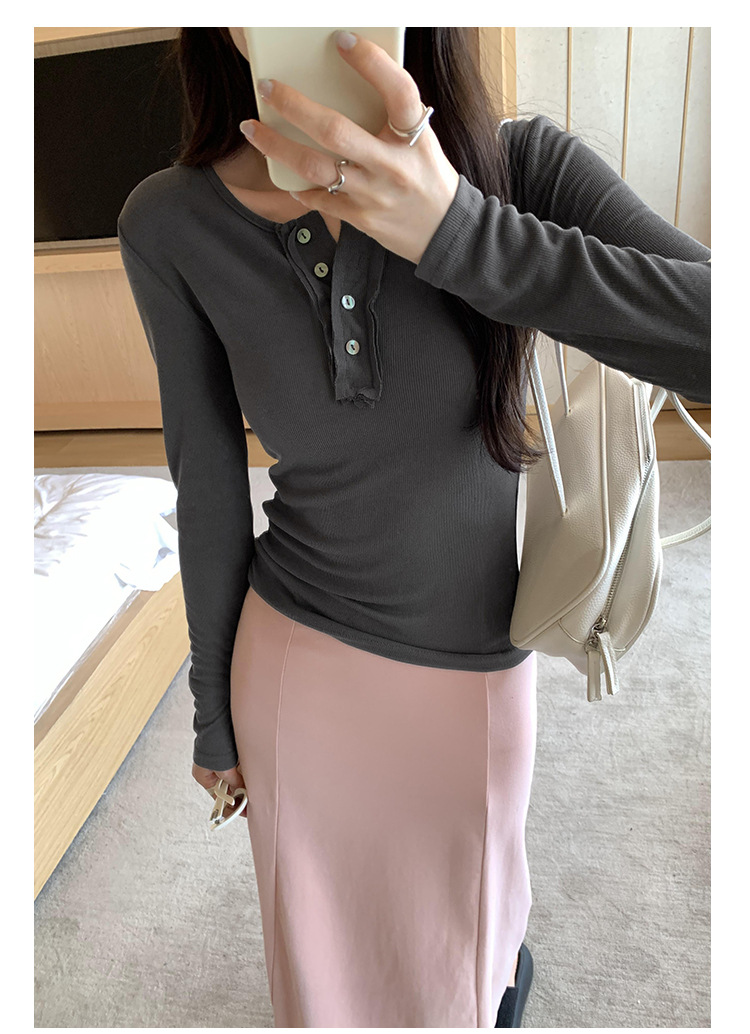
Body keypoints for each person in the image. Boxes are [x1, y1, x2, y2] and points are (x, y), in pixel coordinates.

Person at [117, 28, 710, 1028]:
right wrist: (212, 711)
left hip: (474, 670)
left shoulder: (517, 166)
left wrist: (458, 231)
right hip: (297, 671)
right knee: (328, 975)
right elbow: (206, 481)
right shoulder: (169, 222)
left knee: (467, 948)